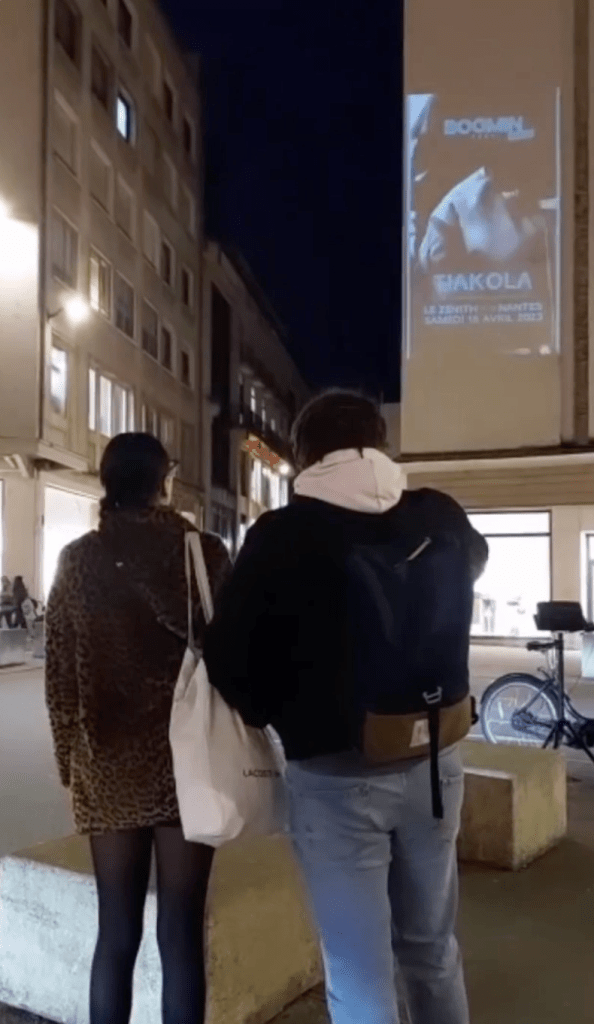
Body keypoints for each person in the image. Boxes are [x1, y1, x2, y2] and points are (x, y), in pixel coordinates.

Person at [203, 390, 488, 1024]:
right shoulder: (439, 514)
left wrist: (278, 712)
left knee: (359, 968)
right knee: (432, 949)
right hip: (435, 759)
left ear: (305, 454)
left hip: (336, 775)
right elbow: (474, 565)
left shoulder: (282, 534)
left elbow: (230, 659)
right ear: (380, 443)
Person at [45, 433, 232, 1024]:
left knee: (116, 932)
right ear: (164, 482)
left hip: (108, 763)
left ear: (106, 483)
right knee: (181, 932)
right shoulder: (204, 555)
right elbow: (234, 655)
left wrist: (71, 768)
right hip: (191, 765)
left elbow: (60, 679)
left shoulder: (78, 560)